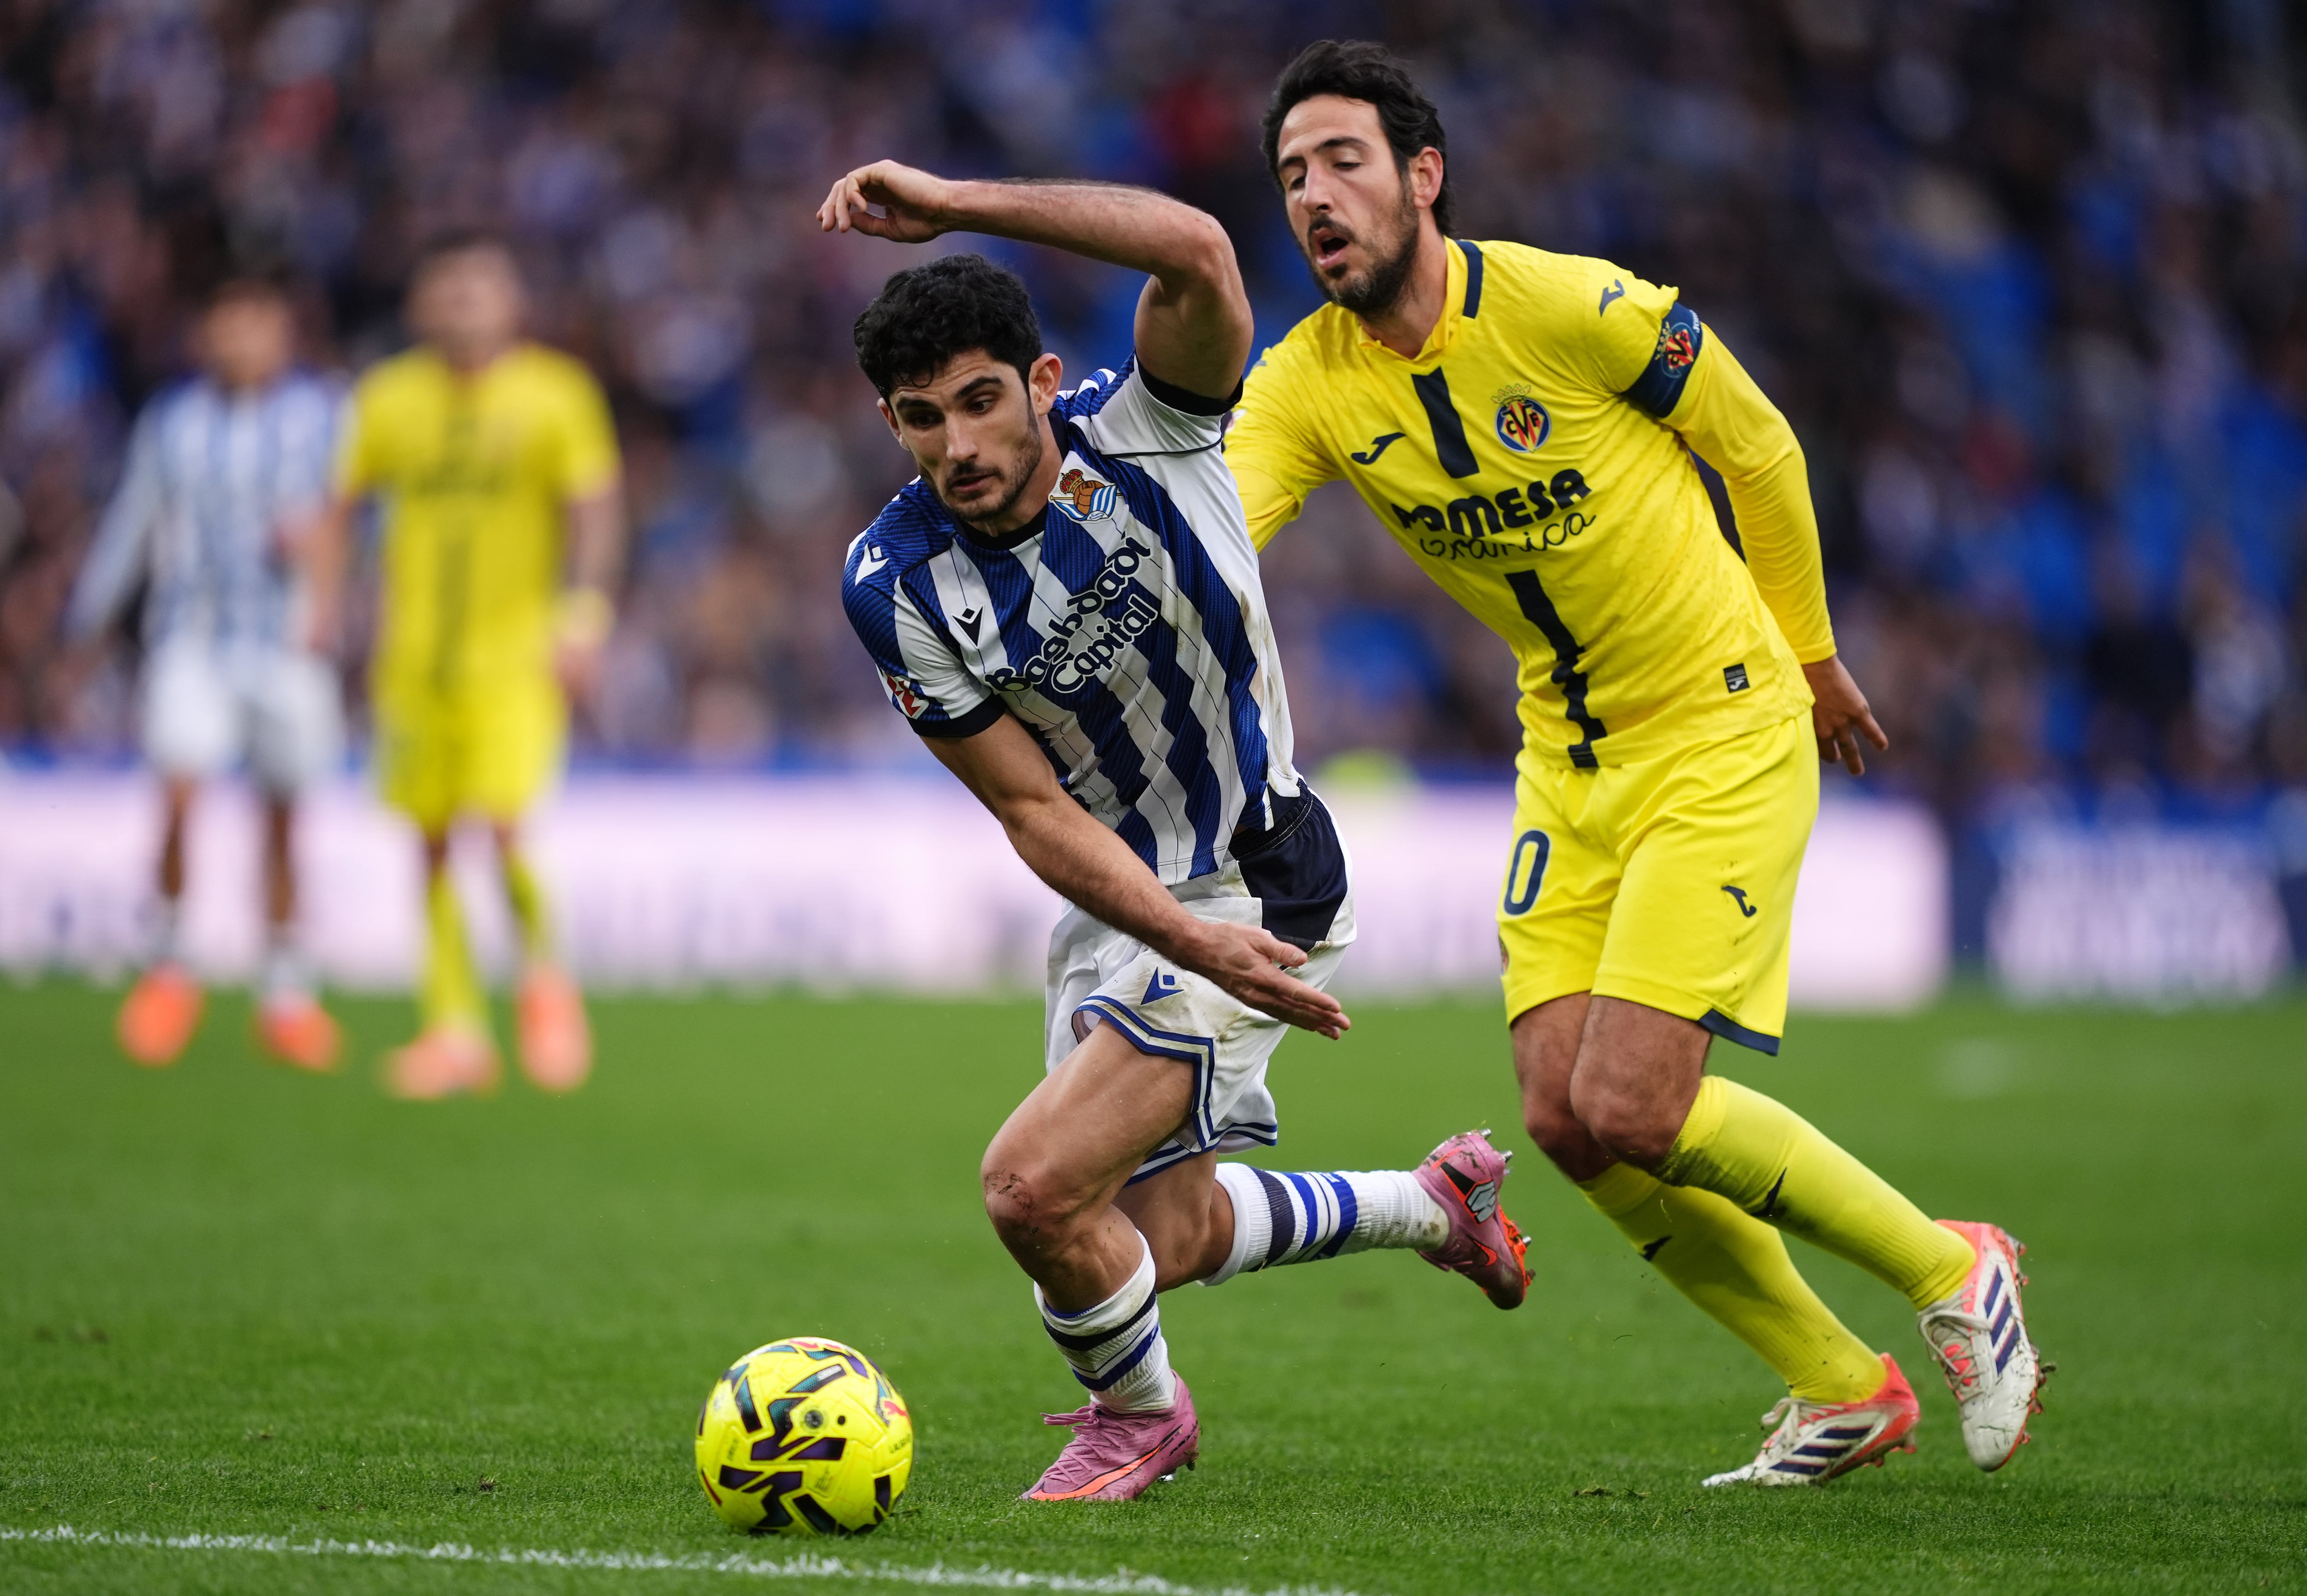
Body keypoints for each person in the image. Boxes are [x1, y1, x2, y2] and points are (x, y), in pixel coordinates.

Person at [1224, 40, 2047, 1487]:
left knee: (1637, 1102)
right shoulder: (1308, 382)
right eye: (1292, 176)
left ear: (1424, 176)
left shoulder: (1569, 303)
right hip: (1571, 763)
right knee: (1566, 1119)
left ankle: (1954, 1268)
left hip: (1721, 723)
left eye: (1344, 160)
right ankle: (1838, 1382)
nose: (1315, 197)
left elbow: (1759, 444)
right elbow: (1221, 541)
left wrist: (1813, 653)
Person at [818, 162, 1530, 1503]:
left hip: (1263, 868)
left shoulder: (1152, 422)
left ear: (1038, 378)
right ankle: (1432, 1205)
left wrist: (963, 205)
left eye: (981, 400)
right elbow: (1030, 807)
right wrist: (1178, 934)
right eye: (922, 420)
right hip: (1134, 900)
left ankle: (1139, 1416)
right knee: (1165, 1232)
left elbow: (1199, 247)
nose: (958, 444)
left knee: (1032, 1190)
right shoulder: (895, 580)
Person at [311, 232, 622, 1100]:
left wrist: (584, 616)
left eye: (480, 289)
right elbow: (341, 509)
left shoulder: (555, 395)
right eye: (447, 290)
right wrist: (325, 606)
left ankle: (543, 978)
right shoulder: (387, 398)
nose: (463, 305)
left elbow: (597, 514)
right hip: (413, 660)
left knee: (505, 823)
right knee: (433, 841)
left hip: (514, 656)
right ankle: (453, 1032)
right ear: (421, 305)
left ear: (512, 301)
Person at [67, 275, 346, 1074]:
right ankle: (170, 964)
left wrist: (333, 583)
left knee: (285, 818)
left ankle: (288, 993)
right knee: (180, 793)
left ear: (284, 333)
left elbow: (353, 515)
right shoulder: (175, 423)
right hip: (191, 638)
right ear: (206, 335)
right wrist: (88, 617)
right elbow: (134, 518)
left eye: (258, 324)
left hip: (288, 647)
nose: (242, 341)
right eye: (228, 324)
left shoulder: (324, 417)